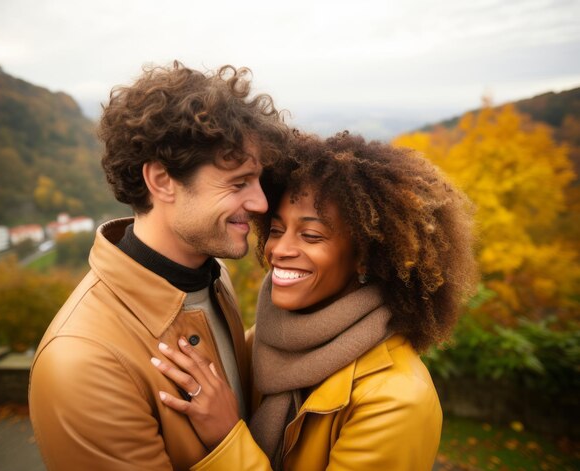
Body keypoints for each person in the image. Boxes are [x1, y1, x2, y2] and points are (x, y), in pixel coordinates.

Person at [151, 132, 477, 470]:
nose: (279, 250)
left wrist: (226, 437)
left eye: (311, 235)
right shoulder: (262, 342)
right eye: (276, 230)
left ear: (364, 258)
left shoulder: (396, 399)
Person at [28, 61, 289, 470]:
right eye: (238, 183)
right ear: (162, 181)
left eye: (257, 181)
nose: (259, 203)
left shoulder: (214, 278)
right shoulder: (84, 361)